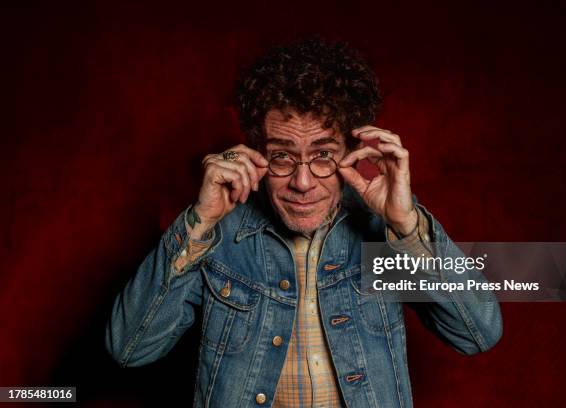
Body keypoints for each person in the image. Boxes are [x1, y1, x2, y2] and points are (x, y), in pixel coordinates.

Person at [105, 38, 502, 408]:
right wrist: (199, 222)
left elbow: (476, 332)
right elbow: (129, 348)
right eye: (282, 156)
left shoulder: (383, 227)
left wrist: (406, 225)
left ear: (352, 152)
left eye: (324, 155)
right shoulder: (217, 231)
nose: (302, 181)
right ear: (257, 153)